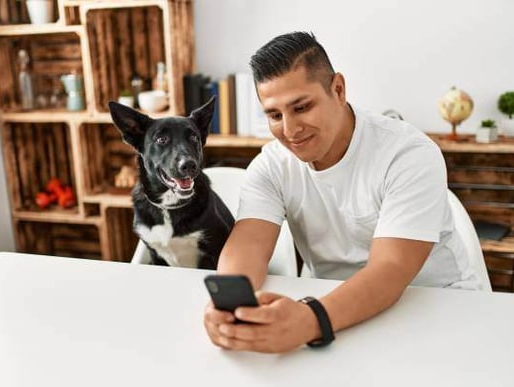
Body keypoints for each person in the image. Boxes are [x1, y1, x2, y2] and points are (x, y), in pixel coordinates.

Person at [203, 31, 483, 354]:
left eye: (302, 107)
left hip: (441, 307)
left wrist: (310, 320)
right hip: (340, 311)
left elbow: (389, 271)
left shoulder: (409, 154)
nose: (290, 130)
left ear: (338, 89)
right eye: (275, 115)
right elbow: (248, 245)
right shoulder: (270, 166)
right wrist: (228, 304)